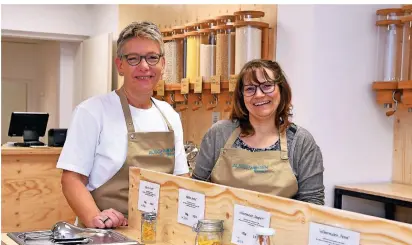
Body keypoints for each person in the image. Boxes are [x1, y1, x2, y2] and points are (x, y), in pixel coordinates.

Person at [57, 21, 189, 229]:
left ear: (163, 64)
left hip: (158, 234)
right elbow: (71, 179)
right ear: (120, 65)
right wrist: (95, 218)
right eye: (134, 59)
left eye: (152, 57)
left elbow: (181, 179)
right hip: (104, 237)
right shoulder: (92, 111)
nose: (144, 66)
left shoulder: (170, 115)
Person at [192, 59, 325, 205]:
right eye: (250, 89)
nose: (259, 94)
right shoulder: (219, 134)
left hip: (280, 227)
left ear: (281, 89)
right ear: (242, 96)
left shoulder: (301, 142)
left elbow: (313, 204)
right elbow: (195, 190)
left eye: (267, 86)